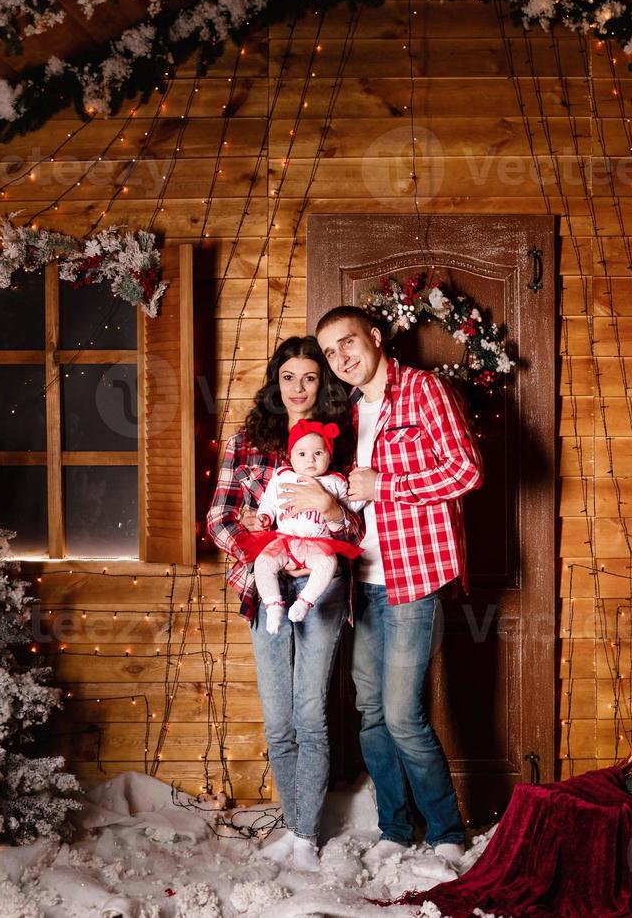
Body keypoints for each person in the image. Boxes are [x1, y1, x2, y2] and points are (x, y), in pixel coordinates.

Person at [315, 305, 483, 868]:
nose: (341, 358)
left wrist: (387, 483)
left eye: (347, 343)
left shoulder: (423, 391)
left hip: (414, 576)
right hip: (362, 582)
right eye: (330, 352)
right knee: (369, 712)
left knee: (402, 714)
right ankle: (394, 825)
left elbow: (466, 470)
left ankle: (446, 830)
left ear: (375, 337)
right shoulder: (348, 413)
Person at [205, 337, 361, 873]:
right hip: (263, 587)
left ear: (324, 384)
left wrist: (329, 511)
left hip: (321, 586)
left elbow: (359, 525)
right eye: (289, 377)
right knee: (278, 719)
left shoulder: (344, 444)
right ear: (276, 382)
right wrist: (262, 542)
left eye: (310, 377)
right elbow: (219, 520)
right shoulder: (245, 442)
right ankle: (296, 829)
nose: (299, 388)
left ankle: (305, 836)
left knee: (310, 712)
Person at [241, 420, 366, 634]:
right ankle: (273, 605)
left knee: (329, 562)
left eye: (318, 453)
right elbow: (270, 503)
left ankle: (305, 601)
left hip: (317, 545)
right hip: (285, 540)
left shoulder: (335, 482)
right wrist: (263, 516)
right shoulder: (282, 476)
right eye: (302, 454)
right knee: (263, 562)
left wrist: (363, 492)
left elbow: (351, 505)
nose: (310, 459)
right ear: (290, 456)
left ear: (329, 455)